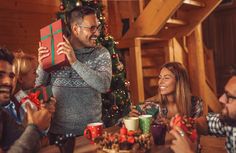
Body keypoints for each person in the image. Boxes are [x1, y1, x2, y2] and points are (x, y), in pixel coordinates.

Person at [36, 6, 112, 152]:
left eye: (98, 27)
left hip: (92, 134)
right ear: (76, 29)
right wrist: (42, 66)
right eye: (92, 28)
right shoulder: (55, 50)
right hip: (58, 135)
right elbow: (38, 89)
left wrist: (74, 62)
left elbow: (103, 85)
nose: (97, 33)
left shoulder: (101, 53)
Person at [0, 47, 55, 152]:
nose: (7, 81)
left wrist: (36, 124)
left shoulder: (4, 114)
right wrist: (34, 128)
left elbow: (34, 143)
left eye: (11, 76)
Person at [170, 67, 236, 153]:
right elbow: (208, 122)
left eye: (229, 96)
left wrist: (187, 151)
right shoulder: (231, 121)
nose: (221, 99)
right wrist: (186, 123)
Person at [129, 62, 203, 121]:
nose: (160, 82)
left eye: (166, 78)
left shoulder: (195, 103)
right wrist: (129, 119)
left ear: (179, 82)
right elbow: (120, 123)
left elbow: (195, 133)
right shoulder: (149, 106)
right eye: (160, 78)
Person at [4, 51, 38, 124]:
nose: (37, 76)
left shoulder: (20, 96)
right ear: (20, 79)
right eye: (34, 72)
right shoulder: (21, 103)